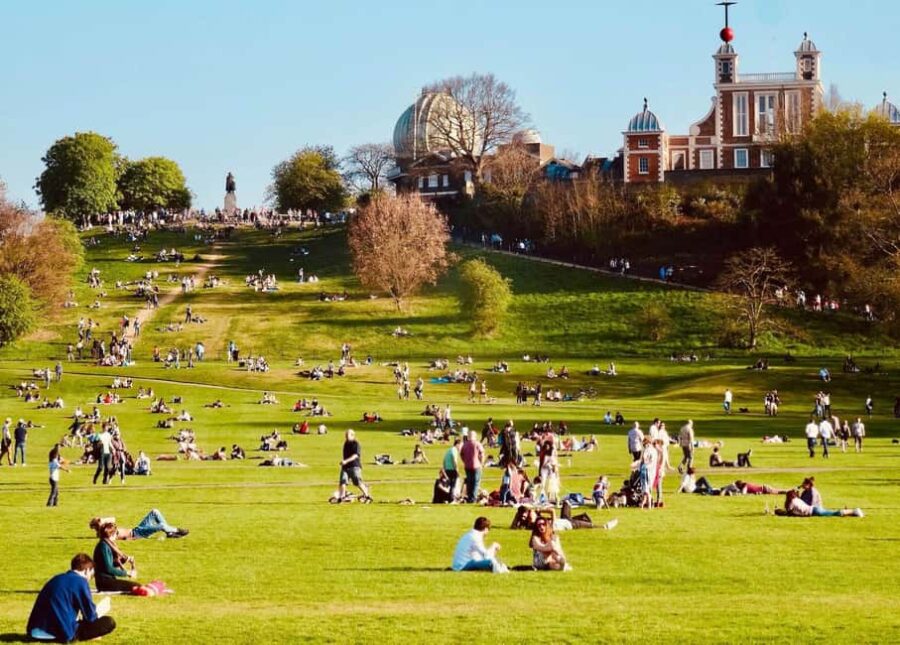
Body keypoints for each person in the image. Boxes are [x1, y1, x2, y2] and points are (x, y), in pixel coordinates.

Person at [26, 553, 116, 642]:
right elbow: (90, 617)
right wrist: (101, 609)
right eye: (91, 576)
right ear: (87, 570)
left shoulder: (56, 578)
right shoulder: (81, 582)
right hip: (61, 632)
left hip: (35, 631)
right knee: (109, 622)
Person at [93, 523, 141, 593]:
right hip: (105, 583)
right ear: (112, 534)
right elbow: (108, 568)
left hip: (107, 581)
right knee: (136, 587)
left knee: (136, 586)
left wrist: (125, 560)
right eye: (116, 533)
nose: (116, 536)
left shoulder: (105, 544)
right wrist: (127, 573)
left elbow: (110, 564)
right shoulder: (103, 546)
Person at [89, 509, 188, 540]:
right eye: (100, 521)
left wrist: (102, 519)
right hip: (138, 534)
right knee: (161, 526)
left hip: (137, 529)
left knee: (155, 511)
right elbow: (116, 539)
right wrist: (131, 539)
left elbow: (113, 518)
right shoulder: (105, 533)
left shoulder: (107, 527)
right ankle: (176, 530)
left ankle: (169, 533)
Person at [338, 429, 371, 502]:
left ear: (352, 435)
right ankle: (342, 497)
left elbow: (355, 455)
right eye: (345, 435)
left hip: (354, 466)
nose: (346, 437)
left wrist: (346, 461)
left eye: (347, 435)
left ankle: (367, 495)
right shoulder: (346, 443)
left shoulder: (355, 443)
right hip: (345, 467)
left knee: (357, 482)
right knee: (343, 481)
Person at [781, 490, 863, 517]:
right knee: (832, 512)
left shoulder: (791, 502)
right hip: (814, 508)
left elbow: (789, 512)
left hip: (814, 511)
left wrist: (779, 511)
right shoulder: (797, 499)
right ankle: (852, 513)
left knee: (834, 513)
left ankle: (854, 511)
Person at [460, 429, 485, 503]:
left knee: (469, 482)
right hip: (476, 465)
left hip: (467, 466)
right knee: (476, 482)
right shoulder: (477, 444)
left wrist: (464, 461)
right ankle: (473, 498)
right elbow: (482, 454)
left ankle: (469, 496)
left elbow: (461, 454)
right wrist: (481, 463)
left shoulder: (465, 444)